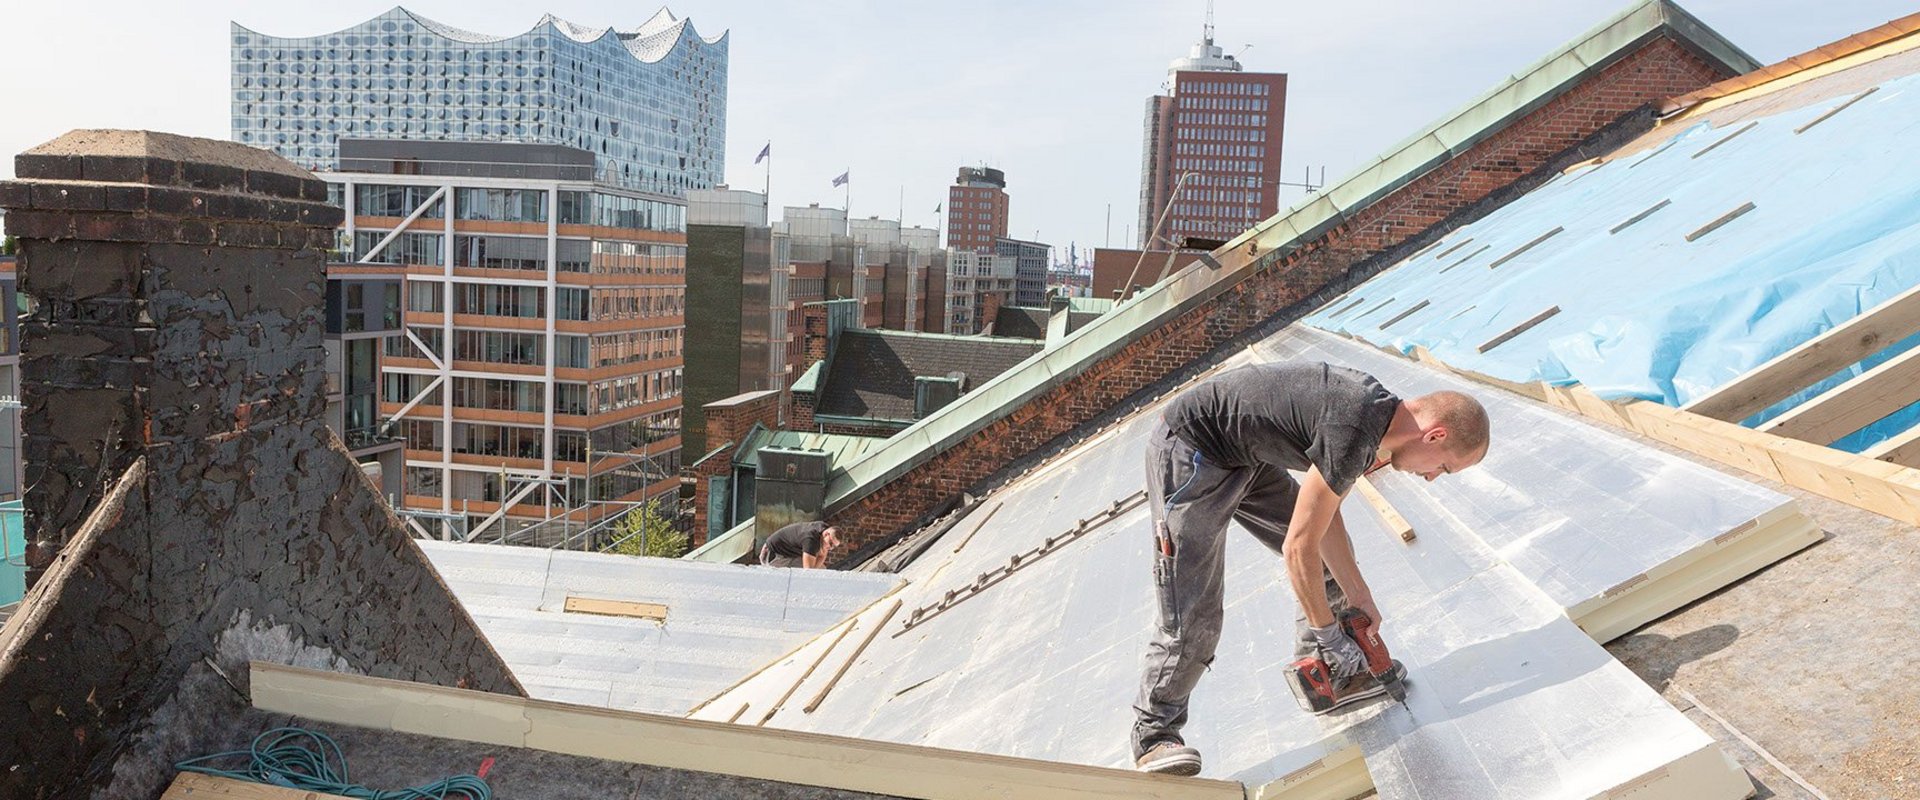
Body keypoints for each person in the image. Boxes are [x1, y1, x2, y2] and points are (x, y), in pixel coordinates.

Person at [1131, 361, 1490, 776]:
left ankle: (1326, 675)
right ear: (1436, 435)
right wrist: (1328, 631)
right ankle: (1153, 735)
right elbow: (1297, 547)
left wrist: (1359, 594)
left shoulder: (1372, 420)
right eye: (1442, 466)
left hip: (1247, 454)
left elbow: (1324, 519)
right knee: (1194, 607)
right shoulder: (1355, 428)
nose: (1431, 478)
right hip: (1191, 451)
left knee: (1333, 564)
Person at [758, 520, 841, 569]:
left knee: (821, 570)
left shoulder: (823, 529)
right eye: (830, 543)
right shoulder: (811, 540)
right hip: (773, 555)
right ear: (826, 534)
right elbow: (807, 572)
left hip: (789, 554)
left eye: (834, 546)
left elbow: (822, 556)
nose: (830, 547)